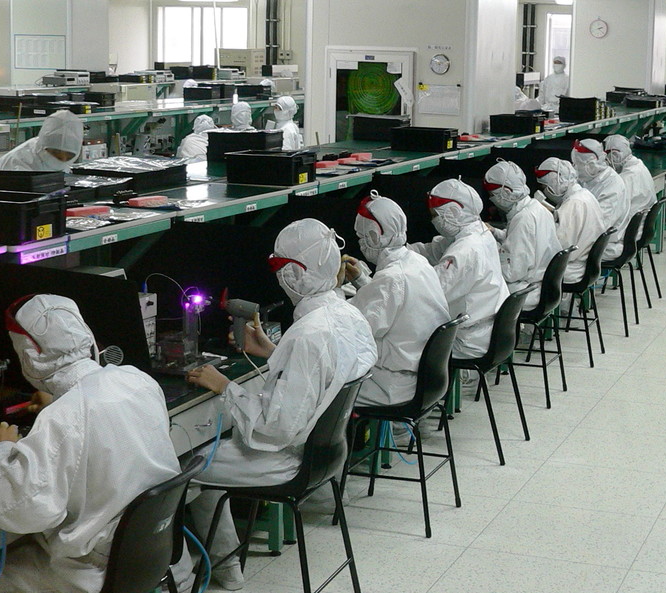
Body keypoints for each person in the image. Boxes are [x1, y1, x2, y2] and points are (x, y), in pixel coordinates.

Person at [0, 294, 194, 593]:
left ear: (30, 355)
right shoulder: (138, 381)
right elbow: (100, 423)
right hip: (147, 555)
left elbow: (17, 509)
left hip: (90, 570)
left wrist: (1, 449)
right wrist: (60, 401)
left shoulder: (63, 417)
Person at [185, 218, 376, 590]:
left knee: (181, 464)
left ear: (294, 273)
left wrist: (224, 386)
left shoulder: (308, 333)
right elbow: (323, 378)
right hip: (329, 455)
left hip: (286, 461)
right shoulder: (347, 314)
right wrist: (274, 352)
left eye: (277, 266)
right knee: (201, 455)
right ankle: (221, 562)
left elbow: (274, 429)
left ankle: (206, 569)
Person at [343, 191, 450, 406]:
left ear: (374, 236)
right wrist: (361, 280)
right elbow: (390, 303)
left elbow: (353, 329)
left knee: (322, 387)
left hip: (391, 385)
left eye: (362, 237)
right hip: (425, 378)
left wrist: (332, 290)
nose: (361, 243)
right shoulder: (417, 262)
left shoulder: (391, 278)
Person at [408, 178, 508, 358]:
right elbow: (435, 249)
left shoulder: (465, 250)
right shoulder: (479, 232)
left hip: (468, 340)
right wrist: (400, 251)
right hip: (490, 330)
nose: (433, 220)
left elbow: (431, 293)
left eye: (435, 215)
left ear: (453, 212)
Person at [483, 159, 561, 310]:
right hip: (543, 285)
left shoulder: (523, 219)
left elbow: (511, 272)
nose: (492, 199)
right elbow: (520, 242)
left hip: (526, 291)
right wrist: (494, 232)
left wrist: (489, 248)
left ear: (506, 192)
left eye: (492, 194)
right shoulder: (536, 207)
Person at [534, 157, 604, 285]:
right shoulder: (584, 194)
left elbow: (559, 246)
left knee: (526, 273)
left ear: (555, 181)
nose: (545, 190)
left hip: (572, 268)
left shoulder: (573, 203)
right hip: (585, 263)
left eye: (545, 186)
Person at [572, 138, 629, 260]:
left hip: (605, 246)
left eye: (577, 165)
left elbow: (599, 226)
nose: (574, 169)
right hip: (593, 240)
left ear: (591, 165)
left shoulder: (612, 185)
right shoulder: (590, 178)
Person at [0, 110, 83, 172]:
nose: (62, 160)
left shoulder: (46, 154)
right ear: (43, 146)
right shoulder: (18, 164)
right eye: (56, 153)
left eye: (69, 156)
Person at [604, 134, 658, 237]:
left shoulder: (627, 178)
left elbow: (613, 212)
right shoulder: (639, 165)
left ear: (615, 155)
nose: (607, 161)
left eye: (607, 157)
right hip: (640, 228)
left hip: (629, 233)